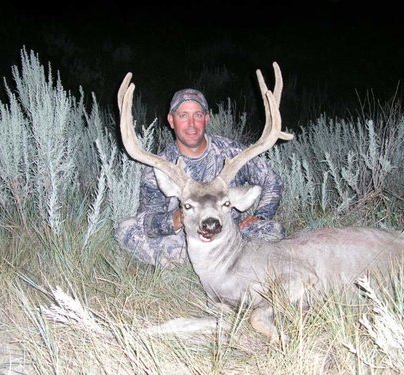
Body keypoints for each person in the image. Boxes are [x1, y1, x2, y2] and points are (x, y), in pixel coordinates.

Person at [115, 88, 286, 269]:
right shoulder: (159, 167)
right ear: (171, 120)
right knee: (127, 230)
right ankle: (202, 267)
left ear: (207, 118)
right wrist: (178, 219)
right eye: (183, 115)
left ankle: (205, 266)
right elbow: (147, 221)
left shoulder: (231, 152)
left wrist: (261, 216)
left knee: (271, 230)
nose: (191, 124)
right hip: (184, 239)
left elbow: (272, 180)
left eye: (197, 115)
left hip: (231, 237)